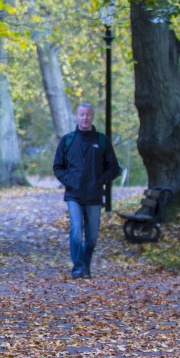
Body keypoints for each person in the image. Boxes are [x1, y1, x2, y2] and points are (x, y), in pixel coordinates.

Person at [53, 102, 120, 279]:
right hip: (73, 195)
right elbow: (57, 167)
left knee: (92, 237)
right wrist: (69, 181)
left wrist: (100, 180)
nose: (85, 118)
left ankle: (86, 266)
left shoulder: (101, 140)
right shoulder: (68, 140)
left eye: (88, 114)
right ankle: (78, 268)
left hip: (94, 195)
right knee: (76, 231)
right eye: (82, 114)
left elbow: (114, 168)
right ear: (77, 116)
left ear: (92, 117)